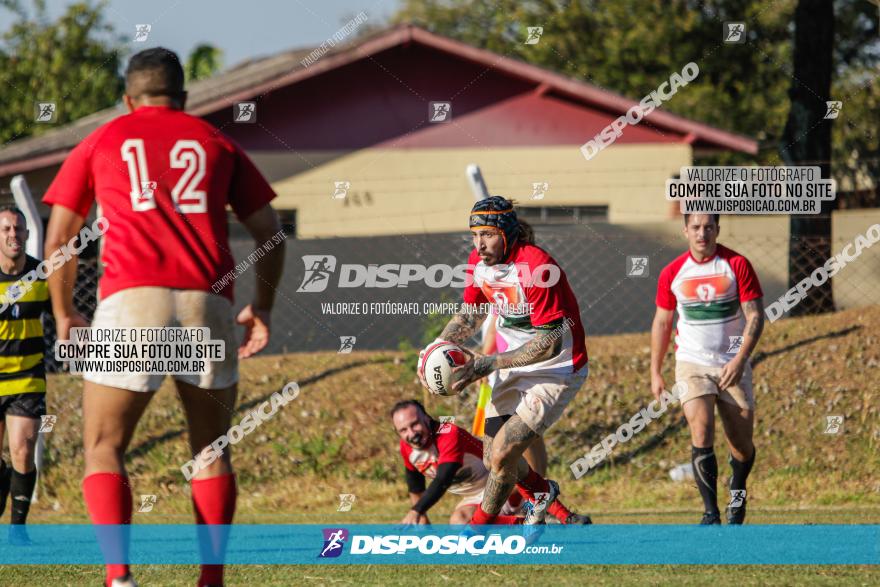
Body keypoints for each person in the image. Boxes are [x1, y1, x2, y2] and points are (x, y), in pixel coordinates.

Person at [43, 47, 285, 587]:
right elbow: (269, 233)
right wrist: (262, 305)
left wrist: (65, 312)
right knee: (210, 448)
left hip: (132, 302)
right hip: (207, 301)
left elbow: (61, 237)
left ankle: (119, 576)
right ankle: (212, 578)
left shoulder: (104, 139)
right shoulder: (216, 142)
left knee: (103, 445)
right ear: (185, 97)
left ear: (128, 99)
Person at [419, 196, 591, 527]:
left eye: (487, 234)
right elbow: (470, 315)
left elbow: (547, 346)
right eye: (474, 235)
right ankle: (543, 495)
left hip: (554, 370)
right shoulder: (478, 263)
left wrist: (487, 364)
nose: (479, 244)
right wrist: (436, 348)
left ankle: (477, 528)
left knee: (502, 453)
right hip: (510, 368)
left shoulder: (538, 268)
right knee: (492, 456)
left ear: (508, 233)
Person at [651, 213, 764, 525]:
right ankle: (710, 513)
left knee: (740, 445)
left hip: (732, 362)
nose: (702, 234)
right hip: (691, 362)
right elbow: (662, 322)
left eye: (709, 227)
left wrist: (739, 360)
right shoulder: (672, 272)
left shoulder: (737, 265)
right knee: (700, 430)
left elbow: (755, 316)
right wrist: (655, 371)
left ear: (717, 229)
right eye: (696, 228)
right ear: (685, 230)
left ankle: (738, 487)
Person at [0, 206, 50, 545]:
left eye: (18, 229)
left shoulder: (42, 275)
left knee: (22, 449)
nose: (13, 235)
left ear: (28, 234)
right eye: (5, 229)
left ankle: (18, 529)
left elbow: (62, 314)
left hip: (28, 378)